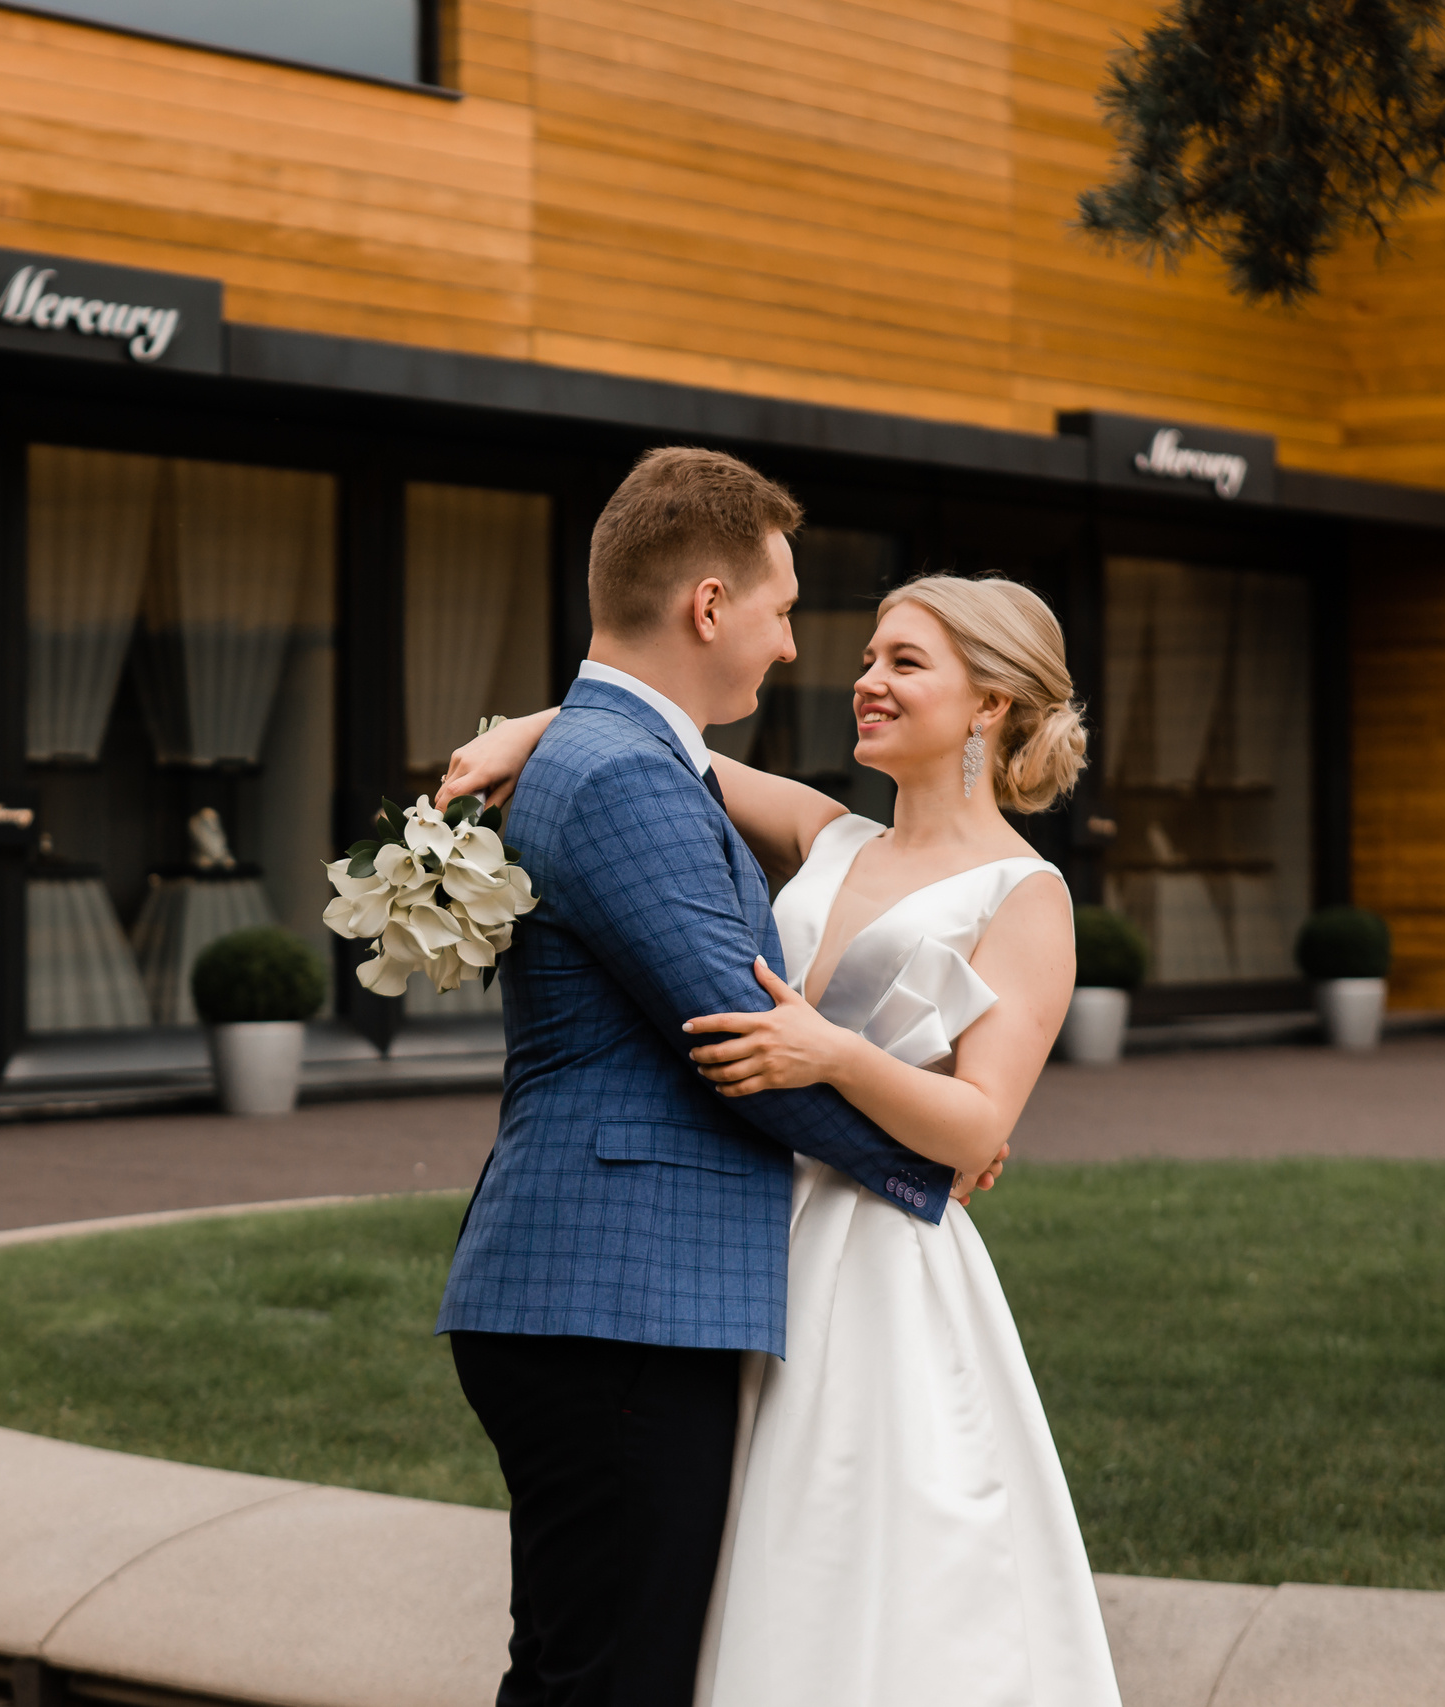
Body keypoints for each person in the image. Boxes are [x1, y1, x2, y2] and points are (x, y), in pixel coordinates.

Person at [441, 544, 1121, 1707]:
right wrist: (527, 726)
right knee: (687, 1575)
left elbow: (978, 1126)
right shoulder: (829, 832)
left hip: (877, 1268)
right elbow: (660, 744)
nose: (865, 678)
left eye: (904, 661)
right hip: (738, 1238)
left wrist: (836, 1053)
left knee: (840, 1562)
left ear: (991, 703)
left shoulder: (1027, 898)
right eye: (866, 656)